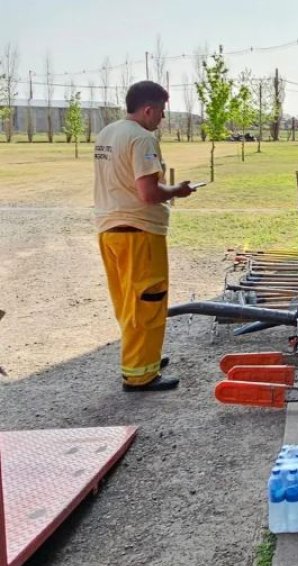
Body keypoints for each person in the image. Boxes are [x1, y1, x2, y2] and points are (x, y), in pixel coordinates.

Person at [93, 81, 195, 392]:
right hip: (138, 232)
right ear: (148, 109)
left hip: (109, 229)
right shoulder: (142, 138)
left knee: (128, 302)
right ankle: (139, 375)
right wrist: (178, 190)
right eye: (161, 112)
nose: (162, 119)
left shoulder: (107, 133)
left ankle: (144, 358)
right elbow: (149, 192)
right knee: (148, 302)